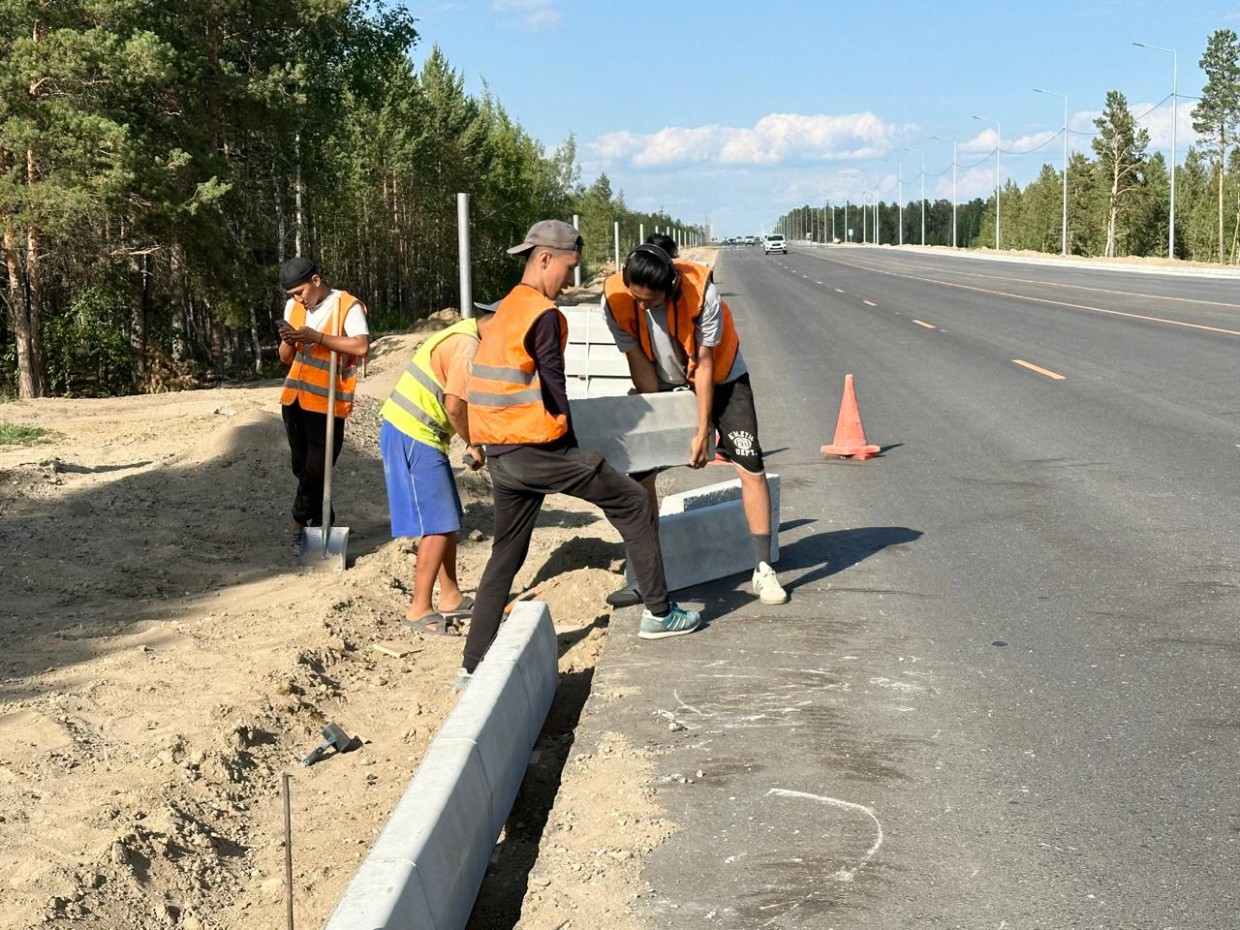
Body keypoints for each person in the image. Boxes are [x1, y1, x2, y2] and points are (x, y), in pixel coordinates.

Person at [457, 220, 701, 690]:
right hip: (536, 449)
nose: (569, 280)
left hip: (503, 457)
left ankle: (470, 666)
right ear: (544, 258)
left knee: (506, 553)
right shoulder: (544, 315)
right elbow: (554, 390)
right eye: (568, 268)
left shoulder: (508, 308)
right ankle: (659, 612)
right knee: (631, 502)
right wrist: (576, 452)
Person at [601, 241, 788, 606]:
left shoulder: (704, 295)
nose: (642, 307)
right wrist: (654, 414)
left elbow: (703, 364)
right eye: (636, 298)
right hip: (662, 378)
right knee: (640, 476)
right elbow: (636, 358)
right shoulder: (613, 299)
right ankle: (646, 576)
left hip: (721, 379)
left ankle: (763, 569)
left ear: (669, 288)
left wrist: (703, 431)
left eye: (650, 302)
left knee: (750, 466)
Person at [379, 302, 496, 635]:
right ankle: (418, 609)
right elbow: (456, 405)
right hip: (412, 432)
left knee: (447, 518)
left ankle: (450, 596)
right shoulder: (468, 348)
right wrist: (472, 442)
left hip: (418, 432)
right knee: (439, 523)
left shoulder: (467, 333)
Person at [276, 257, 370, 553]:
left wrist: (317, 337)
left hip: (327, 403)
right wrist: (289, 340)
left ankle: (298, 524)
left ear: (316, 281)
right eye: (291, 295)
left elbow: (361, 346)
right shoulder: (294, 308)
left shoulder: (347, 306)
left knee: (318, 467)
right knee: (301, 467)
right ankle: (323, 517)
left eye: (300, 292)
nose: (297, 300)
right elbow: (284, 358)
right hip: (294, 399)